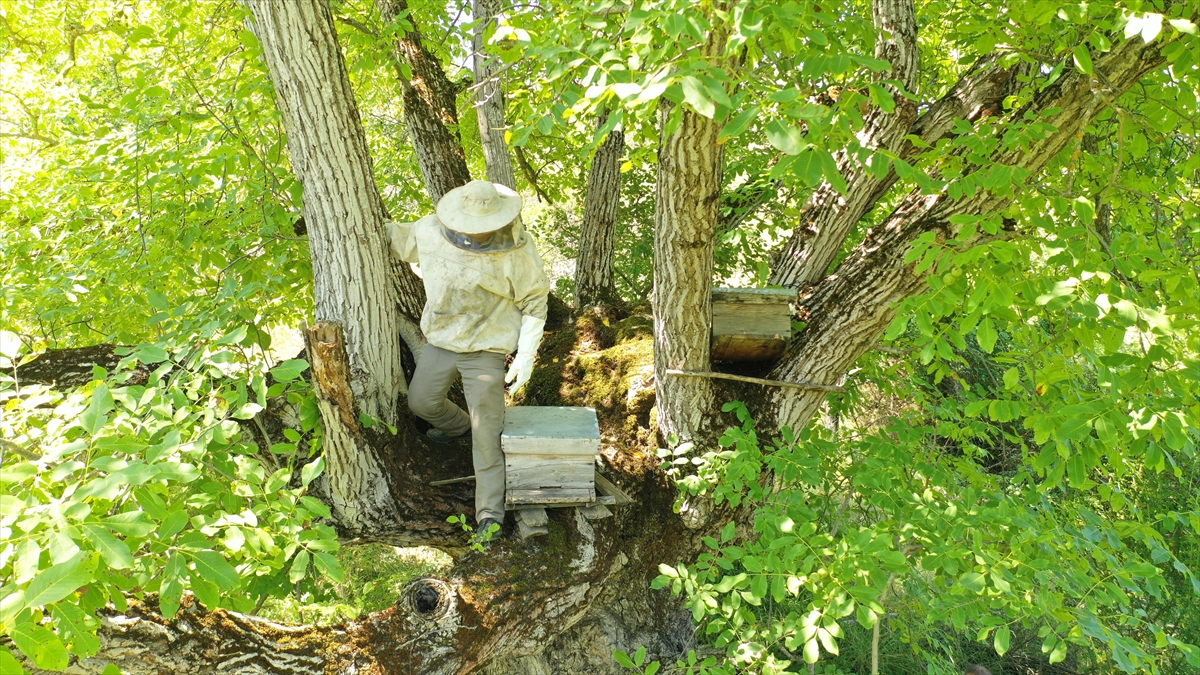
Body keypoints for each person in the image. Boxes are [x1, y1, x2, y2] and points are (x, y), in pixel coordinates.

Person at [387, 180, 550, 545]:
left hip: (486, 350)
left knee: (488, 435)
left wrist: (526, 354)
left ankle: (490, 515)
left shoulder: (517, 251)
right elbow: (393, 237)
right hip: (442, 341)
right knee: (421, 402)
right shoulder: (430, 230)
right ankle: (459, 427)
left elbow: (535, 301)